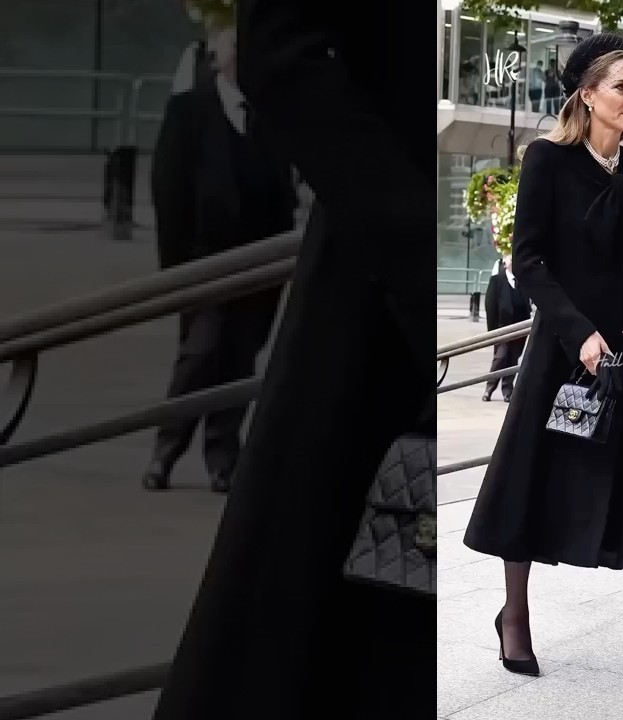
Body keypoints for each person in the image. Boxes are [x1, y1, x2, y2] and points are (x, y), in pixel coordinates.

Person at [150, 0, 436, 716]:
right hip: (384, 307)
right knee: (356, 614)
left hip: (414, 313)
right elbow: (282, 53)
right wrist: (408, 236)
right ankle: (173, 449)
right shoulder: (196, 114)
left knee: (405, 601)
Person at [462, 33, 623, 704]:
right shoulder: (546, 159)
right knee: (530, 482)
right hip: (560, 353)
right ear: (587, 94)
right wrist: (579, 335)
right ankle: (514, 616)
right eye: (622, 87)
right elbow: (531, 259)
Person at [142, 27, 296, 494]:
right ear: (222, 60)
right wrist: (175, 272)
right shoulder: (189, 111)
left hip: (260, 266)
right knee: (199, 356)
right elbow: (169, 194)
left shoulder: (269, 117)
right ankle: (165, 451)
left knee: (240, 359)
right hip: (204, 263)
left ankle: (223, 457)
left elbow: (283, 190)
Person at [482, 254, 531, 402]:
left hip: (519, 329)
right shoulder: (497, 280)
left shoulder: (522, 282)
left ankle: (507, 389)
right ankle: (489, 388)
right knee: (500, 358)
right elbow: (490, 306)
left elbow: (527, 304)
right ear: (506, 265)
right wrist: (492, 332)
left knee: (513, 358)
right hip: (502, 328)